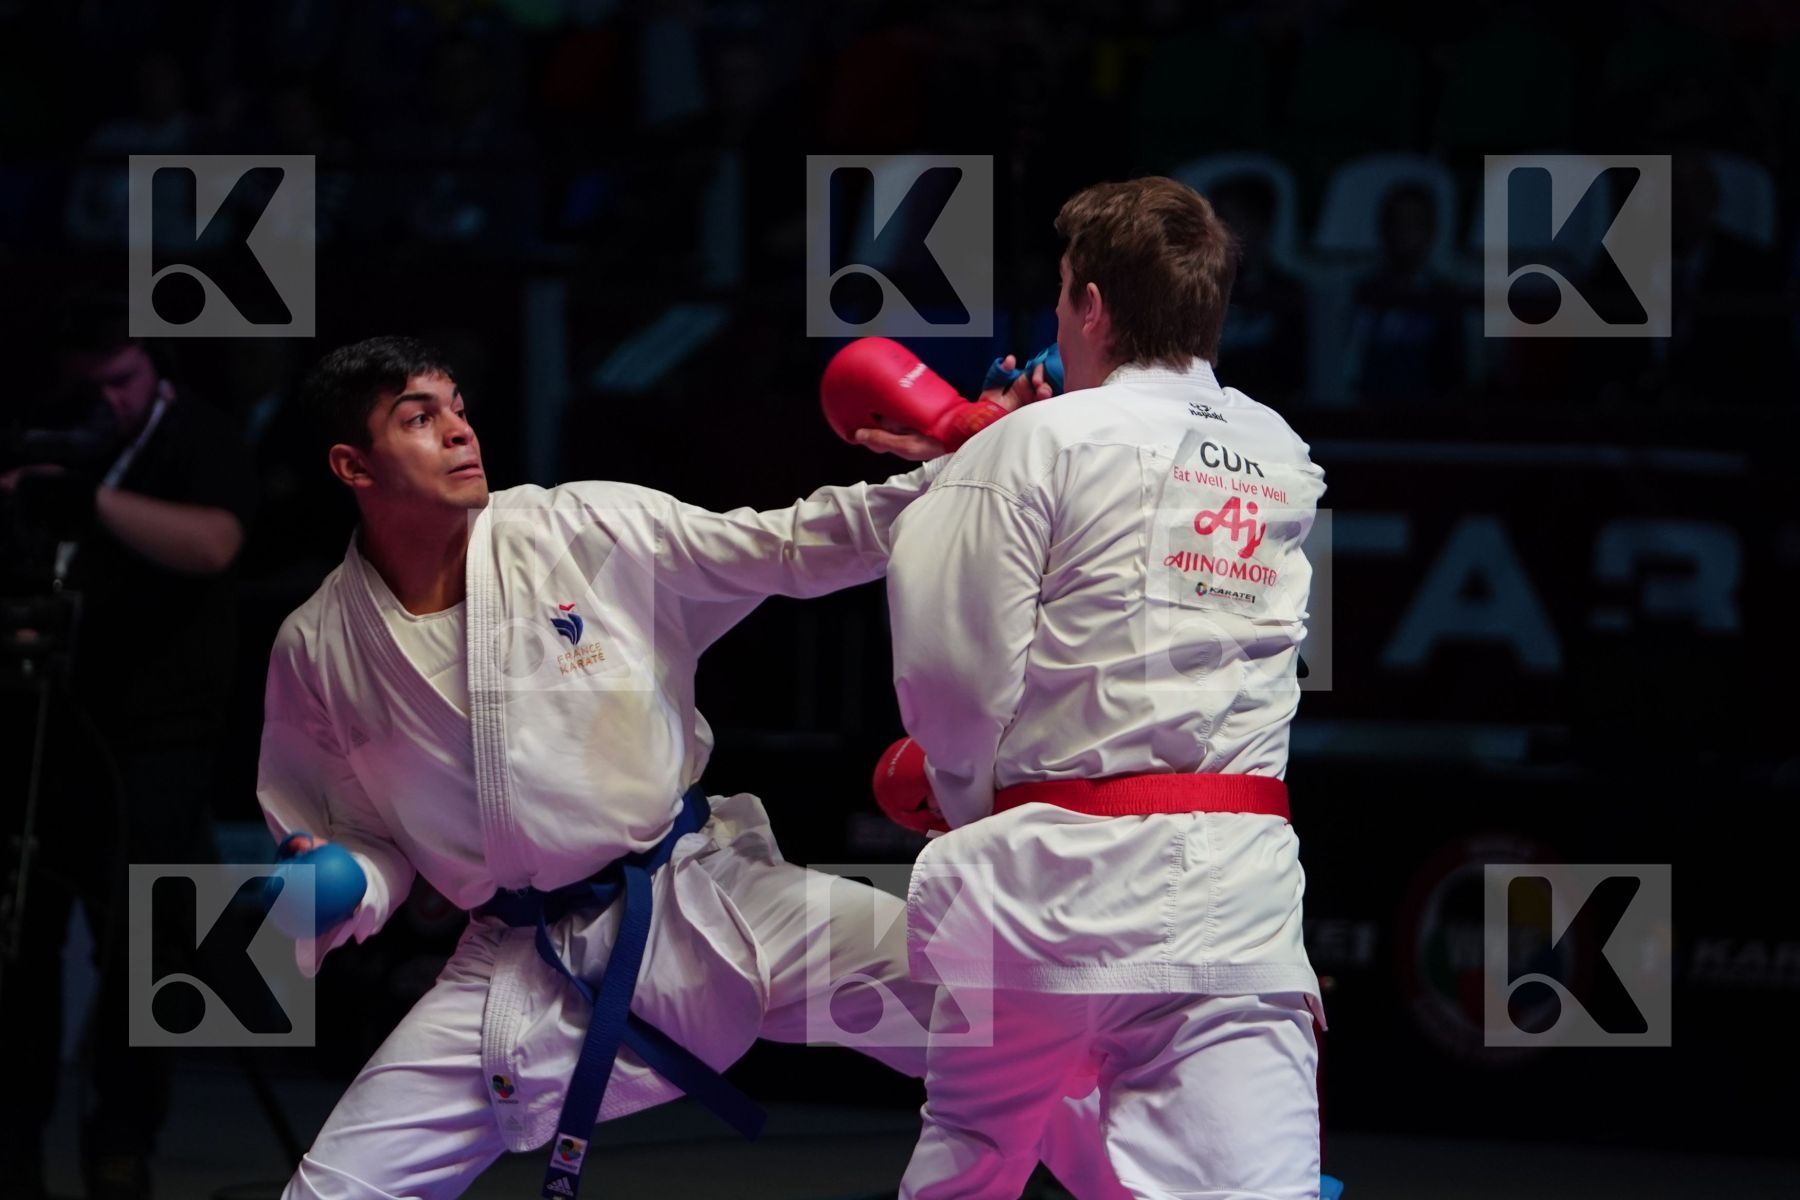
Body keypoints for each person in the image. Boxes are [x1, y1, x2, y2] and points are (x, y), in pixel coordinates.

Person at [257, 336, 1121, 1200]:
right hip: (526, 964)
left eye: (457, 408)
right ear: (352, 465)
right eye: (418, 418)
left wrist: (984, 465)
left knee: (1009, 1037)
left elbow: (794, 546)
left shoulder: (579, 528)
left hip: (721, 899)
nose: (458, 432)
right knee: (334, 1191)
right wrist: (341, 881)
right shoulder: (318, 647)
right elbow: (366, 835)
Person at [880, 177, 1328, 1200]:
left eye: (1062, 298)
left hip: (1048, 896)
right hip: (1235, 899)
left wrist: (959, 805)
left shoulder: (1031, 443)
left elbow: (952, 675)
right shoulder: (1282, 455)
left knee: (974, 1169)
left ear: (1088, 308)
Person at [0, 302, 258, 1200]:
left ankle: (123, 1143)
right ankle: (15, 1145)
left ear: (155, 363)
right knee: (21, 951)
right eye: (93, 383)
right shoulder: (44, 431)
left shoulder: (199, 436)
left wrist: (92, 502)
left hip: (163, 736)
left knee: (158, 949)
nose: (109, 400)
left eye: (124, 379)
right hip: (41, 731)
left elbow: (215, 543)